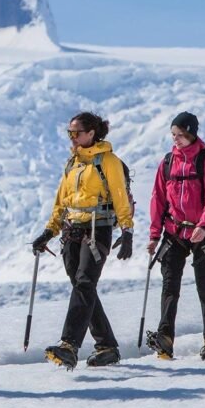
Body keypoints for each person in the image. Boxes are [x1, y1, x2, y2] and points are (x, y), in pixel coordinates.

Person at [30, 112, 134, 370]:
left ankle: (69, 345)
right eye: (70, 133)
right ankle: (107, 346)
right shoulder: (72, 163)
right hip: (71, 231)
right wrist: (49, 232)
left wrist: (127, 230)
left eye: (76, 133)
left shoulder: (108, 161)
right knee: (82, 287)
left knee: (85, 283)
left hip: (98, 230)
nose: (72, 137)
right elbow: (61, 201)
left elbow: (120, 196)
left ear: (91, 133)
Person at [146, 111, 205, 360]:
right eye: (173, 134)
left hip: (201, 231)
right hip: (174, 232)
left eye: (180, 135)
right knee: (170, 285)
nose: (176, 139)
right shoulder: (168, 162)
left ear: (191, 134)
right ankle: (165, 339)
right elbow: (158, 199)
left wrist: (204, 225)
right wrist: (154, 235)